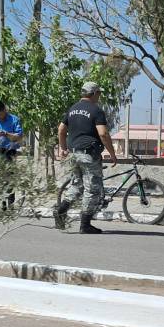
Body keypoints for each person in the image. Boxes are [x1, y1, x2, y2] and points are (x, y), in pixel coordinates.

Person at [54, 82, 118, 234]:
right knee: (93, 189)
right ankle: (85, 225)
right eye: (99, 93)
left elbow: (61, 129)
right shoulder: (96, 111)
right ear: (94, 93)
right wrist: (112, 153)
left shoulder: (73, 109)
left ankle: (61, 210)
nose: (99, 96)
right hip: (88, 154)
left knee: (77, 185)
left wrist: (62, 148)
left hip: (73, 154)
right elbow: (103, 133)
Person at [0, 101, 23, 207]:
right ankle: (2, 203)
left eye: (0, 114)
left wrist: (6, 133)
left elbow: (18, 136)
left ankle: (10, 204)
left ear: (5, 110)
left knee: (9, 178)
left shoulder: (14, 120)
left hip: (9, 151)